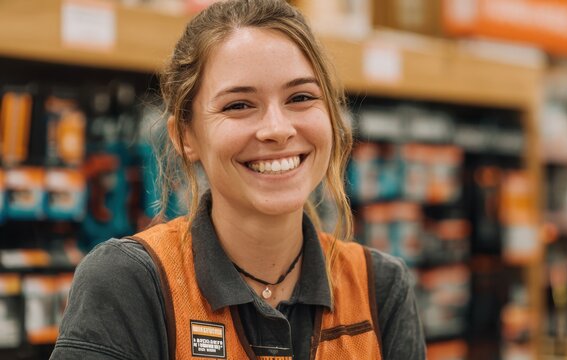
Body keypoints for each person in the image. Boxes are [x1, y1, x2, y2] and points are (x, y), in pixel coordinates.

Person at [51, 0, 425, 359]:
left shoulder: (381, 287)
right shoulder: (129, 282)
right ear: (186, 137)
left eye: (300, 97)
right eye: (239, 105)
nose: (277, 129)